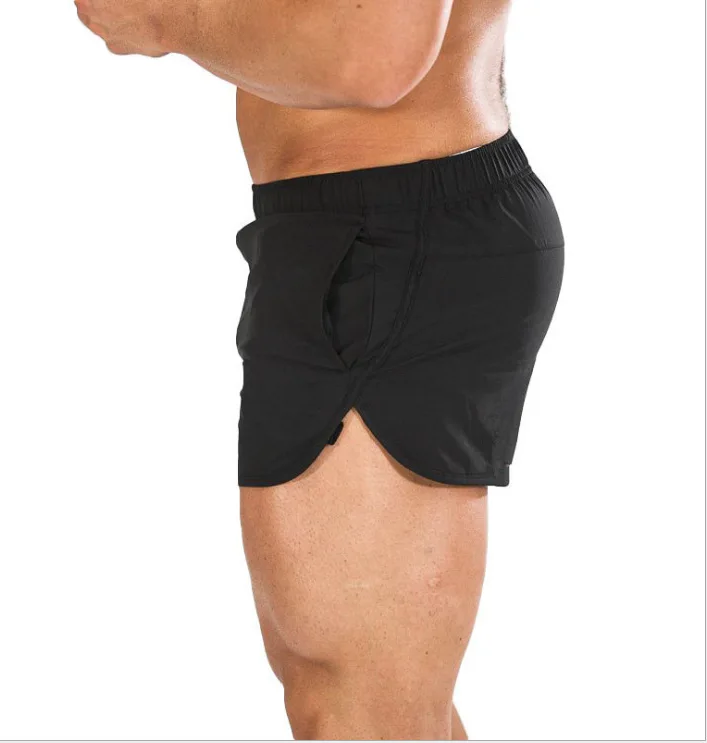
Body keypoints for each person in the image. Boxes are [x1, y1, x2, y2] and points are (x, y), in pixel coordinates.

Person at [74, 0, 564, 738]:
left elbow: (375, 54)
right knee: (362, 696)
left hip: (387, 236)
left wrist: (171, 21)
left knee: (352, 703)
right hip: (366, 226)